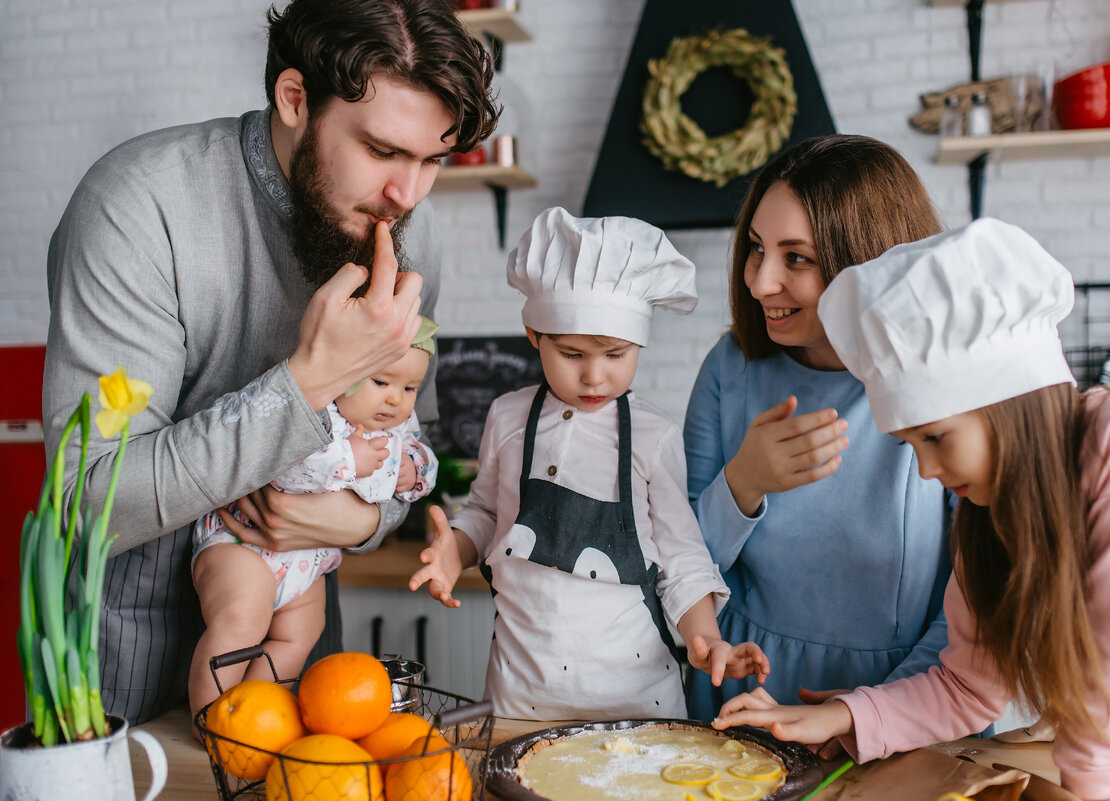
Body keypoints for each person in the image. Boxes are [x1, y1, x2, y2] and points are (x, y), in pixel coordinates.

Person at [41, 0, 499, 725]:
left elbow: (403, 444)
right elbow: (85, 500)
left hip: (307, 632)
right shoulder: (137, 204)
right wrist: (307, 381)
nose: (407, 196)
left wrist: (356, 521)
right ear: (294, 99)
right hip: (124, 657)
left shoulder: (410, 226)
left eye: (432, 160)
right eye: (382, 151)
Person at [714, 218, 1110, 801]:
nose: (926, 470)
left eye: (936, 438)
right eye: (911, 444)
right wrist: (846, 717)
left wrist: (1094, 782)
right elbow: (966, 688)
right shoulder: (988, 515)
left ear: (1007, 404)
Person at [411, 207, 770, 720]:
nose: (595, 378)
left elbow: (682, 559)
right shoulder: (507, 417)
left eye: (616, 355)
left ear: (639, 342)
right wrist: (455, 551)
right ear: (534, 333)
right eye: (573, 355)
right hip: (520, 697)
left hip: (636, 702)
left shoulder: (654, 436)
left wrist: (707, 639)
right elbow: (488, 513)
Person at [683, 135, 954, 722]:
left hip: (906, 699)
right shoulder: (731, 368)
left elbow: (978, 616)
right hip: (743, 692)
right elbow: (675, 565)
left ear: (868, 260)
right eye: (756, 248)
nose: (759, 282)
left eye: (796, 258)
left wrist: (871, 714)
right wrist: (741, 484)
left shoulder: (944, 386)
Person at [188, 317, 440, 718]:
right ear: (345, 371)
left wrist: (415, 469)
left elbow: (426, 459)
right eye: (380, 382)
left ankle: (252, 714)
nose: (396, 400)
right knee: (243, 616)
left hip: (309, 560)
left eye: (409, 388)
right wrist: (346, 460)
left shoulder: (398, 427)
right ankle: (210, 717)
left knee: (301, 632)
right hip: (242, 544)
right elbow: (278, 467)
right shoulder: (312, 408)